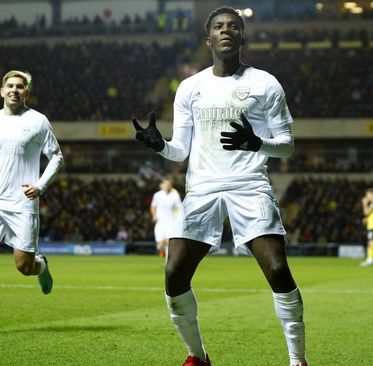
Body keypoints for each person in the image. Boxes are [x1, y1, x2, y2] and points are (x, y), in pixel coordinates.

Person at [132, 7, 308, 366]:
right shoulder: (190, 87)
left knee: (276, 269)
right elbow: (180, 149)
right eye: (219, 26)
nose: (226, 30)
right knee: (174, 273)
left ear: (242, 36)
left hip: (249, 185)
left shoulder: (265, 83)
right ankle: (197, 356)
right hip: (203, 189)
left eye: (233, 26)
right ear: (208, 38)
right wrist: (160, 145)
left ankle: (297, 360)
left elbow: (287, 144)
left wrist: (257, 143)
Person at [0, 70, 64, 336]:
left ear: (26, 92)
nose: (14, 90)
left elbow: (57, 158)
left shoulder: (38, 121)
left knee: (23, 267)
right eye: (10, 86)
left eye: (20, 87)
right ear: (1, 90)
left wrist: (40, 185)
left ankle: (40, 265)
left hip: (22, 202)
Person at [151, 178, 183, 258]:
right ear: (161, 185)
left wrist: (178, 219)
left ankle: (168, 260)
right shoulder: (157, 195)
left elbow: (179, 208)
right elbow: (153, 207)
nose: (167, 186)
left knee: (169, 242)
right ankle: (163, 252)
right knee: (160, 244)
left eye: (169, 184)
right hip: (160, 223)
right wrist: (154, 215)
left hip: (171, 222)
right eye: (166, 184)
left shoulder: (175, 195)